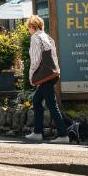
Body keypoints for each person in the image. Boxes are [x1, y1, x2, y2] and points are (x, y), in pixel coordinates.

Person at [25, 15, 69, 143]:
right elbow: (54, 57)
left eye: (29, 28)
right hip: (52, 74)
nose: (29, 31)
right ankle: (37, 132)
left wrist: (31, 76)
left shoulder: (35, 37)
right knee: (37, 101)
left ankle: (63, 135)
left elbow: (35, 59)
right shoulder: (47, 37)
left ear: (32, 27)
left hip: (44, 76)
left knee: (51, 104)